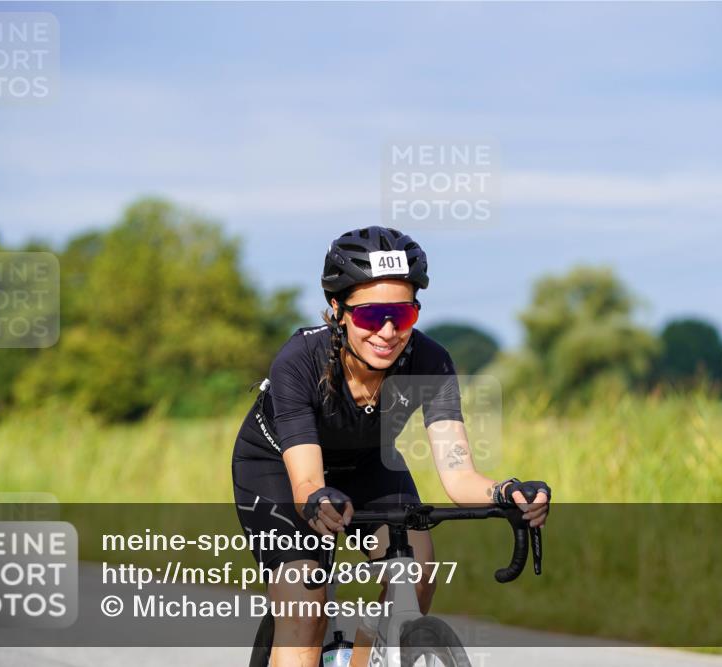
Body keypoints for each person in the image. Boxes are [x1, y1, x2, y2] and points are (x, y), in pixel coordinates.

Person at [231, 225, 550, 667]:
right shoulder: (298, 362)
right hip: (282, 469)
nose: (386, 332)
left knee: (417, 576)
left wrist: (506, 492)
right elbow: (307, 483)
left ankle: (365, 656)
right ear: (337, 310)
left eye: (401, 316)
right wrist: (316, 500)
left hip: (366, 464)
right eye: (369, 316)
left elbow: (459, 477)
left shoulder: (430, 362)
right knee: (305, 606)